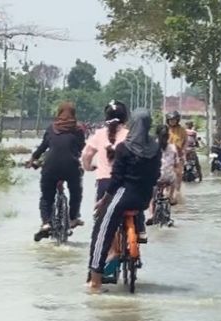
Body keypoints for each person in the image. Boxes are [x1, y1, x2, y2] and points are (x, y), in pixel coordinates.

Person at [88, 109, 161, 293]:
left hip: (124, 196)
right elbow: (156, 176)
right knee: (125, 215)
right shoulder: (155, 148)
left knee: (102, 229)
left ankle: (95, 280)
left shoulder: (124, 148)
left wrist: (103, 200)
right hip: (144, 198)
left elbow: (116, 181)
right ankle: (140, 232)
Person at [27, 101, 86, 242]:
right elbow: (82, 148)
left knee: (46, 197)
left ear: (58, 113)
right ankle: (73, 218)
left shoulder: (51, 128)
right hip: (71, 167)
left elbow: (42, 147)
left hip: (50, 167)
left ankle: (46, 223)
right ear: (73, 114)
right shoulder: (78, 130)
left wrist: (33, 159)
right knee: (76, 191)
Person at [81, 100, 129, 201]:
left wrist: (88, 167)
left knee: (100, 214)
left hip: (104, 184)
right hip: (125, 185)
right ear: (125, 118)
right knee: (137, 213)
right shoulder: (130, 135)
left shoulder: (99, 134)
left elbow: (86, 154)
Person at [147, 124, 178, 224]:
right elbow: (176, 163)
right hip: (169, 178)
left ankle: (151, 214)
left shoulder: (151, 147)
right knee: (174, 176)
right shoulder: (173, 147)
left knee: (151, 196)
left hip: (155, 178)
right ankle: (172, 197)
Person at [166, 111, 187, 201]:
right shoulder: (166, 129)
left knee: (178, 173)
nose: (172, 122)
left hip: (178, 154)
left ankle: (177, 191)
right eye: (170, 120)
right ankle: (167, 191)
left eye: (174, 120)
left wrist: (183, 153)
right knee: (167, 173)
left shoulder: (182, 130)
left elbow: (185, 142)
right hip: (167, 155)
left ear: (177, 120)